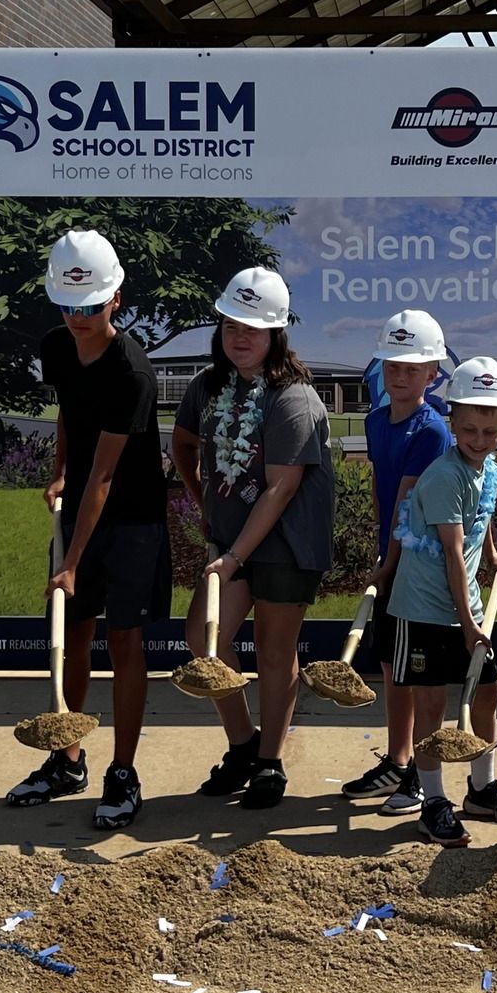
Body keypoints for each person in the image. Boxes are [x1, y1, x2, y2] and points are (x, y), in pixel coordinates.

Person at [6, 231, 172, 829]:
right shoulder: (56, 346)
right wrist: (58, 472)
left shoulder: (133, 372)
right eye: (67, 306)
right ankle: (66, 757)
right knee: (73, 634)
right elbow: (71, 416)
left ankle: (123, 771)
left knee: (124, 642)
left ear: (116, 301)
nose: (77, 319)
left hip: (132, 521)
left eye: (90, 307)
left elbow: (104, 477)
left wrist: (70, 562)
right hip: (82, 508)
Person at [171, 267, 337, 810]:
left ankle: (270, 760)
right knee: (204, 639)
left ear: (276, 333)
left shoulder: (294, 398)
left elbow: (281, 487)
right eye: (231, 324)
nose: (240, 337)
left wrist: (235, 551)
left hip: (287, 542)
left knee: (273, 650)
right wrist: (207, 509)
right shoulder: (207, 386)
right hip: (232, 541)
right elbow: (183, 443)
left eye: (254, 328)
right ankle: (242, 744)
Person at [388, 356, 497, 848]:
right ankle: (433, 802)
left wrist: (493, 554)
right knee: (431, 704)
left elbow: (482, 518)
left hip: (464, 603)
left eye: (489, 430)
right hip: (425, 609)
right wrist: (470, 623)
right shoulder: (446, 475)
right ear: (452, 422)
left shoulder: (486, 467)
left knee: (487, 693)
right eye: (469, 429)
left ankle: (481, 789)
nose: (478, 439)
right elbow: (452, 552)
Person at [342, 310, 452, 818]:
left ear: (433, 372)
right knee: (391, 665)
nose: (402, 375)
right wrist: (379, 551)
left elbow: (411, 506)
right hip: (392, 558)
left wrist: (389, 566)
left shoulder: (431, 432)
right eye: (393, 365)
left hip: (419, 566)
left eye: (414, 367)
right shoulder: (373, 420)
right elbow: (381, 492)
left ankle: (414, 773)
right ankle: (397, 757)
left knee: (411, 669)